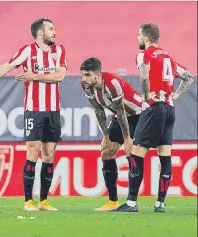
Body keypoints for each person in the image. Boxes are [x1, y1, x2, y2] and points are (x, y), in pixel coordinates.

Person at [0, 18, 67, 211]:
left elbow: (60, 76)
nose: (55, 32)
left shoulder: (59, 51)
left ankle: (43, 201)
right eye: (51, 29)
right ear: (40, 33)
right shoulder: (27, 51)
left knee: (49, 155)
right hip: (33, 110)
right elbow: (5, 67)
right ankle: (28, 201)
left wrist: (34, 76)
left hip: (53, 110)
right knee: (33, 150)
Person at [113, 23, 195, 212]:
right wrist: (176, 95)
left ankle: (132, 203)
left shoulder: (144, 55)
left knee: (136, 153)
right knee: (164, 155)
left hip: (154, 107)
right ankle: (160, 204)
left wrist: (145, 95)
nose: (137, 38)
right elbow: (189, 77)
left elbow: (143, 76)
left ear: (146, 38)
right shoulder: (168, 57)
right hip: (169, 110)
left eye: (139, 35)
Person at [80, 57, 142, 211]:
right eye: (83, 74)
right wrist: (106, 136)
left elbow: (121, 111)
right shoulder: (87, 86)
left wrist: (127, 139)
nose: (84, 79)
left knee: (131, 153)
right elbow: (98, 110)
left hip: (137, 116)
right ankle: (112, 201)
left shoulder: (112, 83)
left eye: (88, 75)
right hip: (118, 117)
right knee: (107, 152)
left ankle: (131, 203)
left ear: (98, 74)